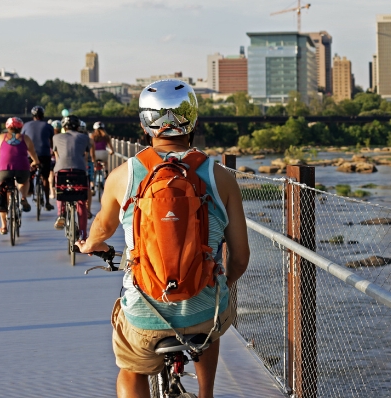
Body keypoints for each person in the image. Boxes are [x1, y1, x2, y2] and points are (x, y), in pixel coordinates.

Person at [77, 80, 250, 398]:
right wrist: (217, 282)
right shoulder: (221, 177)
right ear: (193, 121)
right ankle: (205, 394)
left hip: (146, 314)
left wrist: (90, 243)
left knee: (130, 372)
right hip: (203, 313)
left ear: (144, 125)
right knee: (210, 313)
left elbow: (102, 228)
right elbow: (239, 257)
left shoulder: (122, 176)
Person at [0, 117, 40, 234]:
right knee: (25, 180)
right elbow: (33, 154)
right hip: (22, 168)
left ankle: (4, 226)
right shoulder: (25, 138)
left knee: (3, 193)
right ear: (21, 127)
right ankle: (23, 197)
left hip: (4, 170)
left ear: (7, 127)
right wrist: (35, 163)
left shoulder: (0, 138)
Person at [52, 115, 94, 236]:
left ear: (64, 127)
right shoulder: (84, 137)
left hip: (62, 170)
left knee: (60, 191)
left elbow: (57, 154)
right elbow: (85, 155)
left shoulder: (56, 137)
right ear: (78, 126)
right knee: (81, 201)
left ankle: (61, 214)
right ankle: (83, 234)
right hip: (79, 170)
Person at [21, 106, 55, 211]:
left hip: (29, 154)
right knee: (45, 177)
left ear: (33, 116)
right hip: (44, 154)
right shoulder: (48, 126)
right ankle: (47, 202)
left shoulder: (26, 125)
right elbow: (52, 141)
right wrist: (52, 150)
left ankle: (29, 191)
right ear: (43, 115)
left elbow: (22, 139)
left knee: (28, 174)